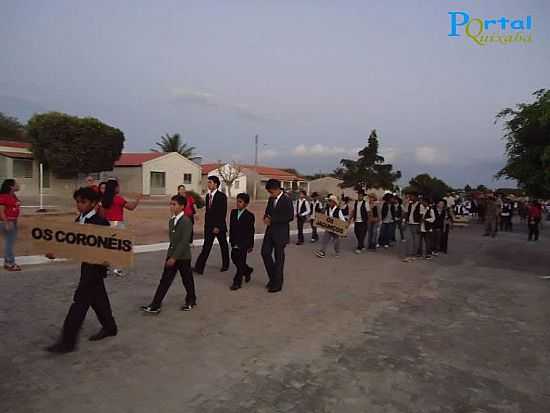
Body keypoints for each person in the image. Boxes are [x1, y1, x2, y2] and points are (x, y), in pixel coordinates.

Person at [45, 187, 117, 353]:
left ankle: (67, 342)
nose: (79, 205)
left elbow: (110, 247)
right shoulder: (80, 219)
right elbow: (72, 243)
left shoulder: (101, 223)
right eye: (77, 202)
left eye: (83, 202)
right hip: (86, 266)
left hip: (95, 269)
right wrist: (55, 252)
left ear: (93, 203)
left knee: (79, 302)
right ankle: (110, 327)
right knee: (98, 299)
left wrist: (107, 259)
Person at [141, 195, 196, 314]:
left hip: (183, 257)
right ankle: (156, 304)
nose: (171, 206)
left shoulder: (186, 221)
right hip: (171, 254)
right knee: (165, 280)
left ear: (182, 206)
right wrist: (171, 255)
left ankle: (191, 300)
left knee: (187, 280)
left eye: (174, 204)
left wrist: (174, 257)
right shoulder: (172, 220)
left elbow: (184, 241)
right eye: (171, 204)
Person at [100, 179, 141, 276]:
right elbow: (131, 207)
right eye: (118, 186)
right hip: (118, 224)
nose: (119, 188)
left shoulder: (104, 199)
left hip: (107, 223)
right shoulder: (118, 199)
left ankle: (106, 268)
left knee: (107, 247)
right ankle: (117, 269)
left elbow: (101, 214)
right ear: (115, 188)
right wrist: (137, 200)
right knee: (119, 247)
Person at [261, 179, 294, 293]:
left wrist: (273, 220)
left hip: (281, 233)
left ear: (276, 189)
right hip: (270, 232)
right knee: (265, 253)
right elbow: (267, 212)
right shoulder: (271, 199)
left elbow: (290, 217)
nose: (270, 194)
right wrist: (265, 217)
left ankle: (277, 284)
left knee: (279, 259)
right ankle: (273, 278)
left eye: (271, 192)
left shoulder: (287, 200)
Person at [193, 176, 229, 274]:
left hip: (219, 227)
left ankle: (226, 265)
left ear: (216, 184)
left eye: (210, 182)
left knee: (223, 246)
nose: (208, 184)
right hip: (209, 227)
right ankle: (199, 268)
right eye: (208, 182)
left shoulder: (221, 196)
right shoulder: (208, 196)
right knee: (206, 247)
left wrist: (217, 226)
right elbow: (208, 212)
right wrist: (207, 225)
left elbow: (223, 212)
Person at [229, 193, 255, 290]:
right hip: (234, 241)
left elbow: (251, 231)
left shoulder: (249, 216)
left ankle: (237, 282)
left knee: (240, 262)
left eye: (240, 202)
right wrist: (231, 239)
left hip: (244, 242)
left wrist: (250, 245)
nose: (238, 203)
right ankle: (247, 270)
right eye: (237, 201)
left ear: (246, 204)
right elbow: (231, 227)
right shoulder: (233, 212)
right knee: (234, 258)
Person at [0, 179, 21, 271]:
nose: (18, 185)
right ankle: (10, 263)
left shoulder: (13, 196)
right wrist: (6, 223)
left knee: (10, 242)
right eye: (16, 184)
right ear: (11, 186)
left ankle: (7, 262)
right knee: (9, 243)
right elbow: (1, 210)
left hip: (13, 221)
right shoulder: (4, 196)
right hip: (7, 221)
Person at [403, 193, 423, 262]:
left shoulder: (420, 205)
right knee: (408, 240)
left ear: (416, 197)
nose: (411, 197)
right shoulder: (409, 204)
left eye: (412, 196)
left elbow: (421, 217)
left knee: (415, 241)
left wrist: (420, 226)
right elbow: (406, 213)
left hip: (416, 224)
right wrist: (405, 222)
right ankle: (408, 255)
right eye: (410, 196)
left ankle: (413, 255)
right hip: (409, 224)